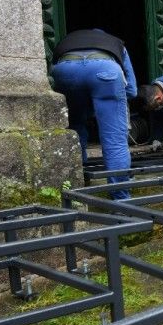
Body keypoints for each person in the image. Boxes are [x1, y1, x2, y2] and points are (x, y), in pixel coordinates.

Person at [50, 28, 138, 200]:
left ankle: (79, 176)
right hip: (105, 70)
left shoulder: (66, 40)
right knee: (115, 140)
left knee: (75, 123)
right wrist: (107, 101)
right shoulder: (116, 43)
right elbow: (132, 90)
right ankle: (121, 199)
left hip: (66, 70)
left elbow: (52, 71)